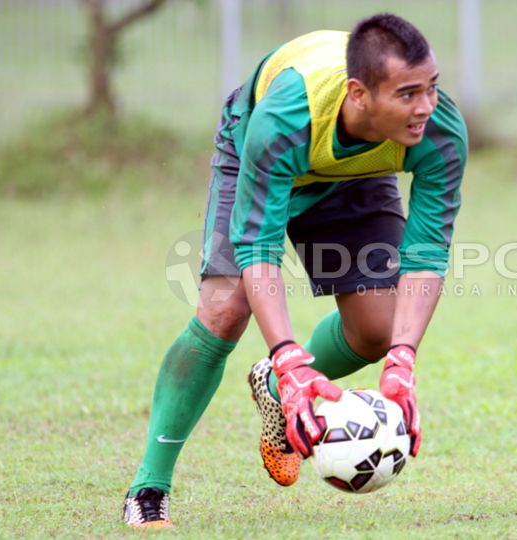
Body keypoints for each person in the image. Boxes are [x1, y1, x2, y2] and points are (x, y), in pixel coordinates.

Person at [122, 12, 467, 528]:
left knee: (377, 329)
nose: (425, 107)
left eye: (432, 88)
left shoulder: (437, 132)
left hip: (357, 177)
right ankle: (148, 488)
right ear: (358, 94)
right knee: (224, 310)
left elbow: (426, 255)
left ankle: (279, 385)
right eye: (408, 94)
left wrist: (402, 358)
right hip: (260, 153)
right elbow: (258, 248)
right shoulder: (287, 116)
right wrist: (288, 356)